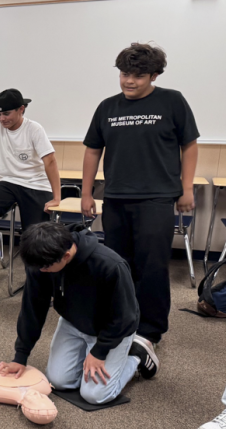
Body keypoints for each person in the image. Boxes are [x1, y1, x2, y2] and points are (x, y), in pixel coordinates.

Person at [81, 43, 199, 358]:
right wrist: (86, 192)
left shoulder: (172, 101)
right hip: (116, 198)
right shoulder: (107, 107)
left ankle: (150, 329)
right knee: (119, 265)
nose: (129, 81)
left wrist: (186, 188)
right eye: (124, 74)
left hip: (157, 199)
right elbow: (93, 150)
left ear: (154, 75)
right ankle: (121, 320)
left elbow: (189, 145)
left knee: (152, 266)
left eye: (138, 75)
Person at [0, 222, 157, 405]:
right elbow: (33, 308)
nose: (41, 272)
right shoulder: (41, 262)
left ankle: (136, 355)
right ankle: (93, 356)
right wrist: (20, 356)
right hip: (73, 322)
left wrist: (99, 352)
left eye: (45, 268)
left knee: (95, 395)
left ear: (66, 256)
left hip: (111, 329)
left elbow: (125, 316)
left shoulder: (110, 265)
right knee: (58, 381)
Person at [0, 89, 60, 285]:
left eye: (6, 114)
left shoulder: (34, 129)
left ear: (21, 110)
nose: (2, 119)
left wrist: (56, 196)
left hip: (36, 184)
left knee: (34, 233)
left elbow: (50, 161)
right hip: (7, 181)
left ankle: (37, 279)